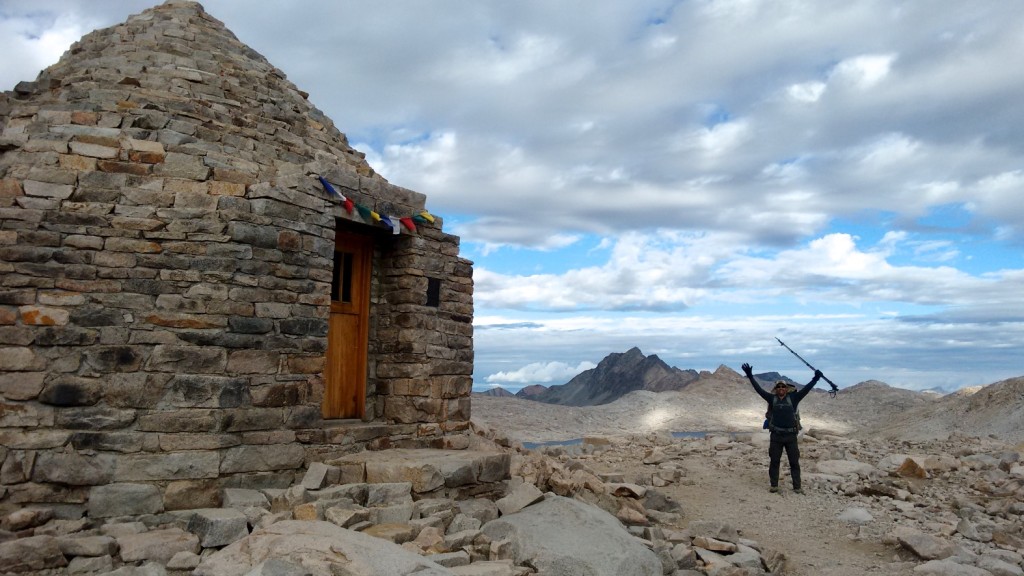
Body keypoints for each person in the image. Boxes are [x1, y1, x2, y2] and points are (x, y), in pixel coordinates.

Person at [741, 363, 822, 494]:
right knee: (774, 461)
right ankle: (774, 485)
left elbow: (806, 390)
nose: (780, 388)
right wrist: (750, 376)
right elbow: (759, 390)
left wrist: (815, 379)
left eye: (783, 386)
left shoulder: (794, 398)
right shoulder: (771, 398)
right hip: (776, 436)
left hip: (791, 436)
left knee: (794, 463)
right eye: (778, 387)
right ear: (776, 389)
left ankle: (797, 487)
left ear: (787, 388)